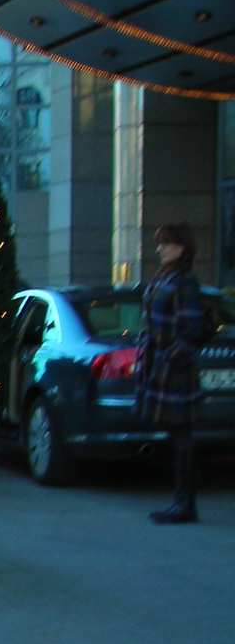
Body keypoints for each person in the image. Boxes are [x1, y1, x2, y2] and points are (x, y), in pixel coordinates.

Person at [136, 224, 206, 524]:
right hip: (160, 363)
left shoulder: (184, 282)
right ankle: (181, 501)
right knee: (176, 435)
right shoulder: (165, 277)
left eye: (165, 244)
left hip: (175, 370)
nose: (159, 249)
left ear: (181, 246)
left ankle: (185, 504)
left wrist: (168, 361)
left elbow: (190, 331)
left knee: (182, 435)